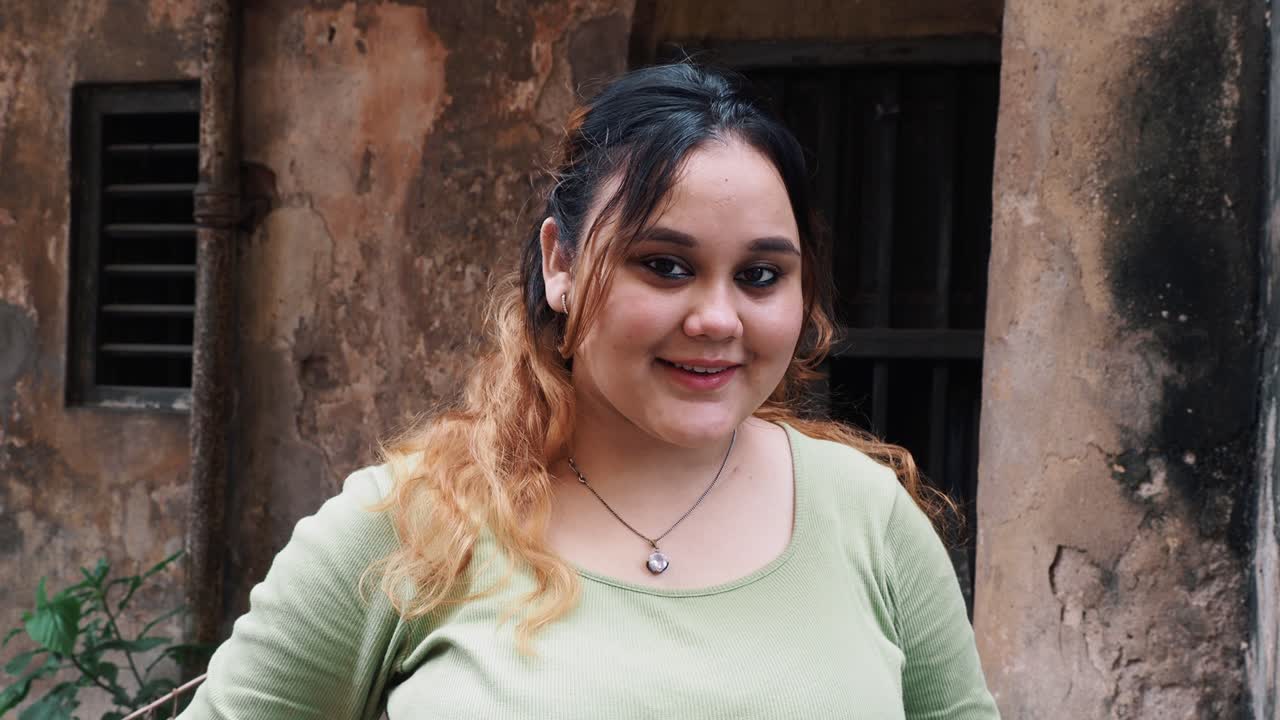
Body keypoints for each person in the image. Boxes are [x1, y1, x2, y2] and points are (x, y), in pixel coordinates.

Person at [178, 63, 999, 719]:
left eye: (760, 275)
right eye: (665, 265)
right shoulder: (412, 527)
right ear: (560, 264)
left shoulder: (871, 521)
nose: (718, 318)